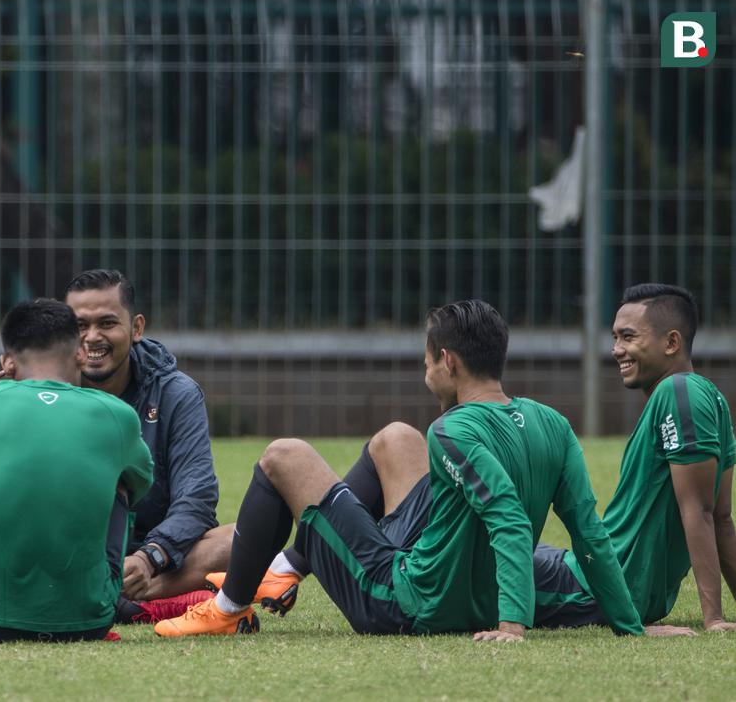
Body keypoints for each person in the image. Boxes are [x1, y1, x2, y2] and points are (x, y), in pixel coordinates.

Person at [155, 299, 650, 640]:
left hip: (402, 603)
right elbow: (589, 531)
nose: (425, 372)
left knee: (285, 456)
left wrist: (513, 626)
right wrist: (631, 624)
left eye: (427, 361)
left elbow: (510, 521)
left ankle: (228, 608)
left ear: (447, 361)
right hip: (462, 585)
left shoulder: (453, 431)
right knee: (396, 438)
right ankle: (285, 567)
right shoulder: (554, 424)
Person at [0, 299, 154, 642]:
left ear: (7, 363)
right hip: (93, 622)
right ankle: (89, 592)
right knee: (118, 483)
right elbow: (141, 483)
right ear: (80, 353)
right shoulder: (118, 413)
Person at [535, 284, 735, 634]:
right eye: (614, 338)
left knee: (461, 554)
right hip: (592, 574)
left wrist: (714, 619)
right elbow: (721, 520)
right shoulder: (711, 398)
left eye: (628, 337)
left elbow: (703, 512)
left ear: (671, 343)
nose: (616, 350)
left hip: (591, 588)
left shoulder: (679, 393)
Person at [64, 269, 227, 621]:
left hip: (158, 560)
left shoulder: (177, 393)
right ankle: (140, 602)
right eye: (79, 326)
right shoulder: (44, 391)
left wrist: (150, 557)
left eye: (107, 323)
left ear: (136, 328)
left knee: (242, 541)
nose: (92, 338)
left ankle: (115, 598)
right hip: (70, 554)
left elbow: (196, 500)